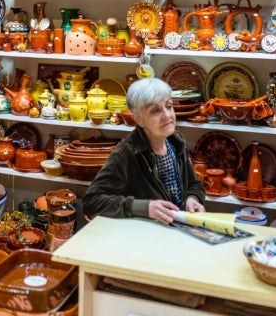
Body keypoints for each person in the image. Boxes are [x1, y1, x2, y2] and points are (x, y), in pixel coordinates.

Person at [83, 77, 205, 224]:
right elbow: (91, 201)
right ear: (138, 119)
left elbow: (194, 184)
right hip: (144, 236)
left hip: (179, 228)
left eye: (169, 106)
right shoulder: (126, 153)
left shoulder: (176, 141)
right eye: (155, 111)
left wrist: (193, 198)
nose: (167, 115)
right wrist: (145, 207)